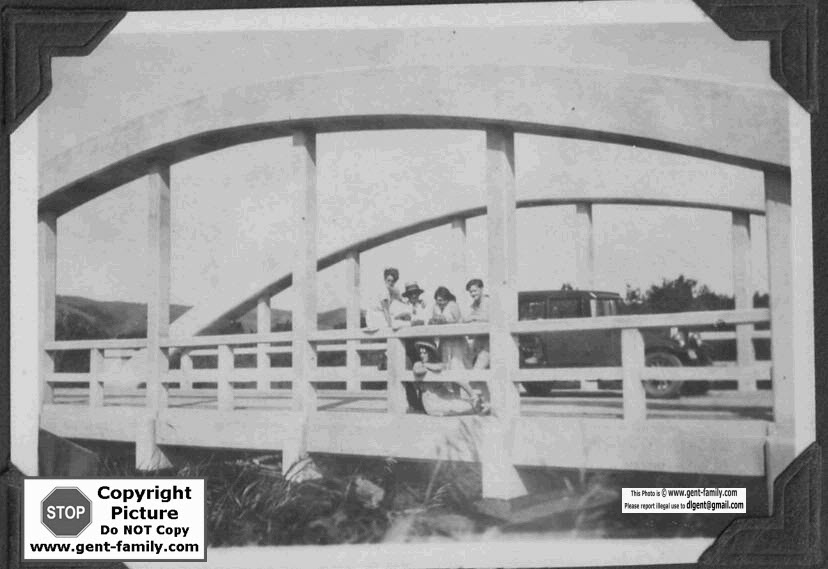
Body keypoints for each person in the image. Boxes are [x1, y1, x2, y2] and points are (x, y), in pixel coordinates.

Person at [412, 341, 487, 416]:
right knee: (468, 407)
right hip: (433, 402)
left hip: (445, 397)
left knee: (465, 403)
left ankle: (476, 400)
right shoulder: (419, 364)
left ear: (430, 353)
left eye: (425, 353)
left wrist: (426, 365)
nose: (422, 355)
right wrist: (425, 366)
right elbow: (417, 370)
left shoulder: (435, 364)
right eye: (420, 353)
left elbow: (440, 367)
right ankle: (476, 404)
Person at [429, 286, 470, 370]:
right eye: (437, 300)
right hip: (444, 340)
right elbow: (434, 319)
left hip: (456, 340)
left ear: (446, 298)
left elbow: (458, 320)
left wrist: (445, 320)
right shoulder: (435, 307)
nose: (439, 302)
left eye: (441, 300)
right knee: (446, 364)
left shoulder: (453, 305)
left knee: (457, 364)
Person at [463, 278, 490, 369]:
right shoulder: (474, 305)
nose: (472, 294)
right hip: (478, 342)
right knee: (465, 364)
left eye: (475, 291)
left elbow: (492, 319)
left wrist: (473, 318)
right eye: (470, 292)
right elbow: (467, 319)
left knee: (477, 371)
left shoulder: (488, 302)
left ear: (481, 289)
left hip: (489, 344)